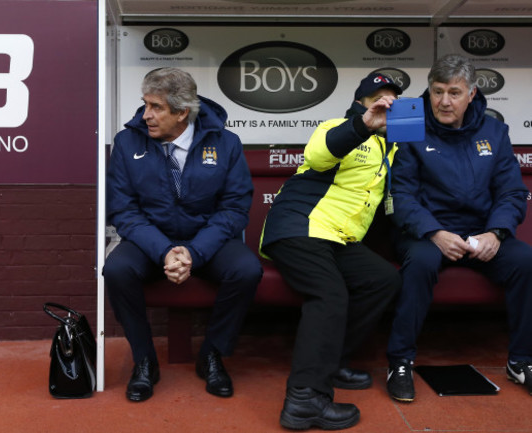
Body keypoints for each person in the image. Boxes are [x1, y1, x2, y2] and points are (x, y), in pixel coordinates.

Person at [102, 67, 262, 402]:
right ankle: (145, 360)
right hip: (149, 239)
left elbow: (233, 209)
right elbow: (124, 211)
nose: (146, 115)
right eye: (145, 104)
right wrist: (164, 251)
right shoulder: (128, 142)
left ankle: (212, 355)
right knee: (116, 269)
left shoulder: (226, 143)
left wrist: (194, 252)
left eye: (156, 107)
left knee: (247, 270)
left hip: (207, 240)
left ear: (182, 113)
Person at [259, 72, 402, 430]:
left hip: (339, 240)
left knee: (382, 278)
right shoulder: (337, 126)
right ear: (361, 104)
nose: (386, 107)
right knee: (329, 294)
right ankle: (304, 400)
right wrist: (365, 124)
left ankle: (332, 361)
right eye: (378, 100)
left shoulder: (397, 147)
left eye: (393, 102)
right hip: (300, 227)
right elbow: (320, 155)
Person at [386, 54, 532, 402]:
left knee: (525, 261)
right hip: (425, 233)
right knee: (420, 262)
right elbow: (399, 194)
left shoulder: (495, 132)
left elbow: (512, 192)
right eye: (437, 92)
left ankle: (522, 360)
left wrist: (496, 233)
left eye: (454, 92)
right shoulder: (410, 126)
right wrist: (434, 232)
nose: (444, 101)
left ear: (471, 94)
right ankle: (400, 361)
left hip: (480, 232)